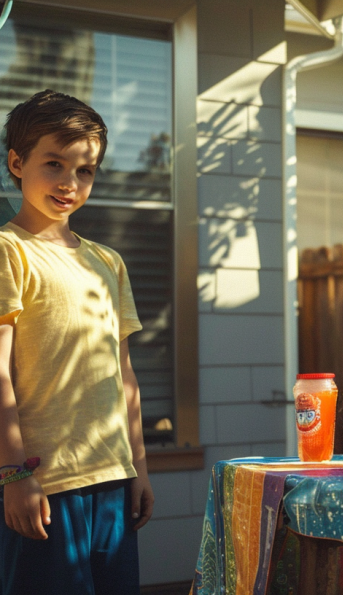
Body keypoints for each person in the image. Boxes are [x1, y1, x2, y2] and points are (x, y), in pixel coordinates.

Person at [0, 90, 152, 594]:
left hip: (111, 476)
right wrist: (13, 474)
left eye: (85, 170)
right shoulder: (8, 250)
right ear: (17, 163)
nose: (69, 182)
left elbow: (123, 374)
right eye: (54, 164)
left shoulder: (108, 262)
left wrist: (140, 467)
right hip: (45, 484)